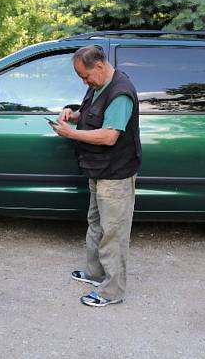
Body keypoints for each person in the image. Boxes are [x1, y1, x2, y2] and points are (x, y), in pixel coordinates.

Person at [50, 45, 141, 307]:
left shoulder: (120, 92)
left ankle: (112, 291)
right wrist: (73, 114)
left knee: (113, 232)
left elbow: (109, 135)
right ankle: (95, 273)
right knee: (96, 222)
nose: (84, 81)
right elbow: (93, 112)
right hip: (98, 170)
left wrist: (71, 133)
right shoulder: (99, 84)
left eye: (85, 76)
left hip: (115, 173)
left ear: (99, 66)